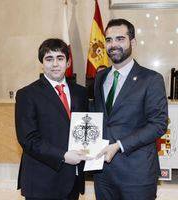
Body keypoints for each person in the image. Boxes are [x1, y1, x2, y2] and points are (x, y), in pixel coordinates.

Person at [93, 18, 168, 200]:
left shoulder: (151, 79)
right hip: (103, 173)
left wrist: (119, 146)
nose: (113, 45)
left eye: (120, 39)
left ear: (132, 42)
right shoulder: (100, 77)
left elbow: (158, 124)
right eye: (109, 40)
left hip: (137, 173)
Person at [15, 38, 89, 200]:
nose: (55, 64)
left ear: (68, 62)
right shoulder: (27, 94)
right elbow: (28, 139)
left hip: (73, 180)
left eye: (60, 58)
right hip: (42, 180)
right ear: (42, 63)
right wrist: (63, 155)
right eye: (49, 59)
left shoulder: (80, 93)